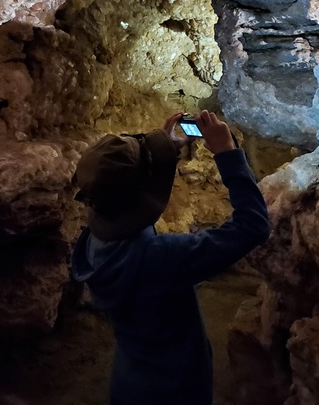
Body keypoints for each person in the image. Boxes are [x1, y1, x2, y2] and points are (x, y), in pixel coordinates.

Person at [70, 110, 271, 405]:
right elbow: (253, 226)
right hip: (176, 390)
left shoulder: (94, 241)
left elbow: (129, 200)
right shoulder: (162, 259)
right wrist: (227, 155)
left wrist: (163, 154)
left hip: (130, 384)